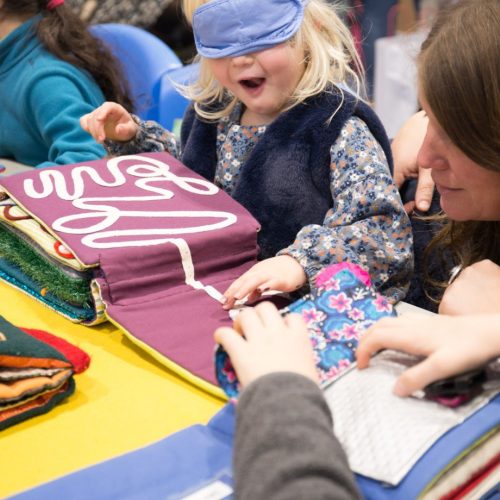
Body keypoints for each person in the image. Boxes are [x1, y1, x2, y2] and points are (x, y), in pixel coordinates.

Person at [214, 0, 499, 496]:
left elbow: (380, 238)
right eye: (426, 118)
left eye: (452, 131)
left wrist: (282, 396)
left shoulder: (340, 130)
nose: (426, 154)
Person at [80, 0, 413, 309]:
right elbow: (190, 176)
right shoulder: (214, 114)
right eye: (221, 41)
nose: (240, 58)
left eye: (261, 37)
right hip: (210, 298)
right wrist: (134, 139)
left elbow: (384, 235)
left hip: (301, 313)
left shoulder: (340, 129)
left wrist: (300, 262)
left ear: (310, 32)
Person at [0, 0, 132, 168]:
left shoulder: (48, 82)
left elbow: (88, 159)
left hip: (50, 189)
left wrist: (16, 187)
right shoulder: (8, 61)